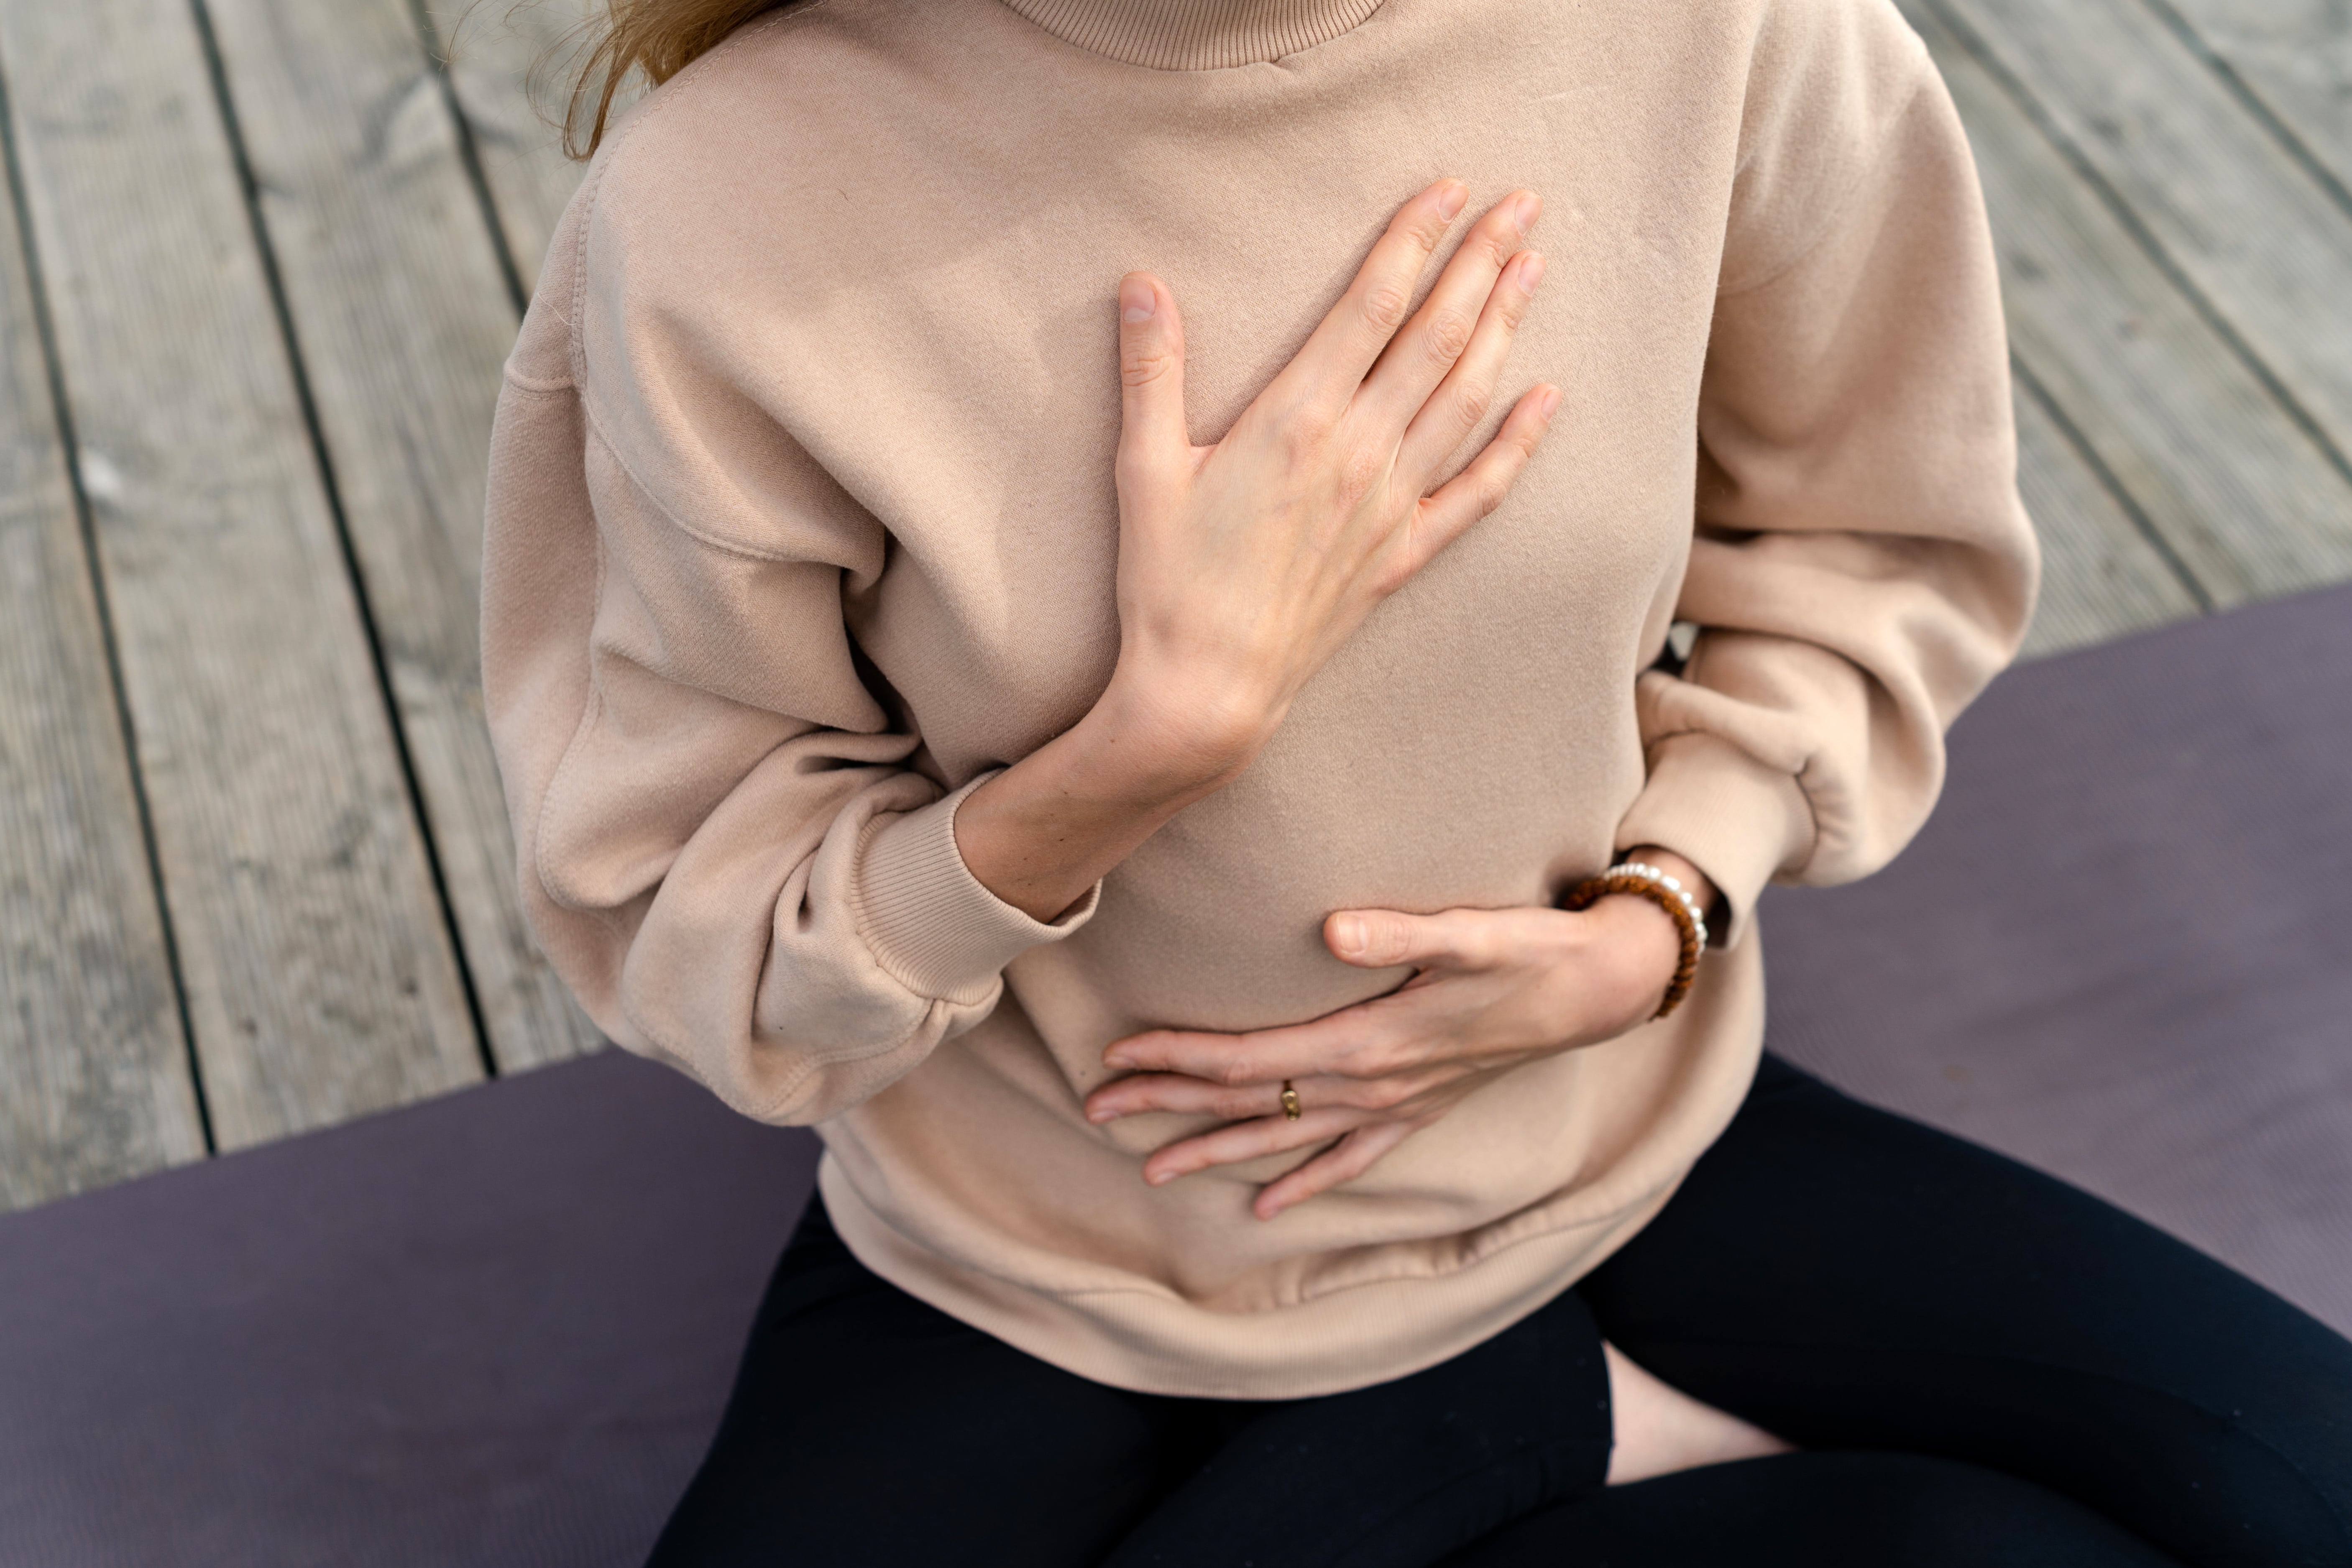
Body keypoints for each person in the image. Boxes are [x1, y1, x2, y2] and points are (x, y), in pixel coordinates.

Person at [478, 0, 2352, 1560]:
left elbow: (1871, 554)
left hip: (1616, 1126)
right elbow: (682, 908)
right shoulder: (721, 211)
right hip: (1048, 1247)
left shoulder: (1716, 29)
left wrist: (1659, 912)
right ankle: (1537, 1418)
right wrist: (1140, 753)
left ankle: (1494, 1422)